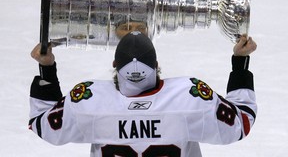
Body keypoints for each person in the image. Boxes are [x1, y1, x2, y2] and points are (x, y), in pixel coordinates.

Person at [29, 31, 257, 157]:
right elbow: (242, 121)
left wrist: (47, 67)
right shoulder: (190, 96)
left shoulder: (88, 100)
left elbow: (42, 124)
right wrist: (240, 63)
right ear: (156, 64)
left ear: (115, 65)